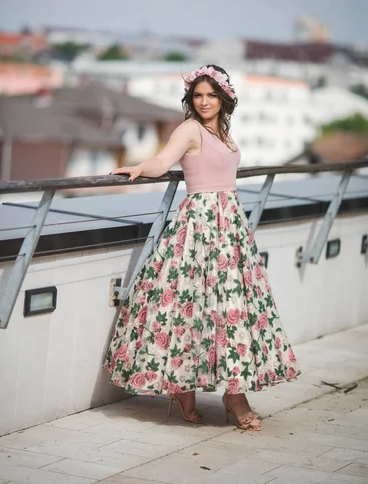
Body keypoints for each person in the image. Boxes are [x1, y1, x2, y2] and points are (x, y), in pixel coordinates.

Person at [104, 64, 300, 431]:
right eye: (198, 95)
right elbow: (164, 161)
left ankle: (215, 390)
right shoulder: (189, 128)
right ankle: (216, 393)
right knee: (190, 305)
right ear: (190, 99)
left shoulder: (222, 131)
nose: (204, 101)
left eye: (211, 94)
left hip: (230, 225)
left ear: (224, 97)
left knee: (226, 308)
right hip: (200, 225)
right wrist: (138, 167)